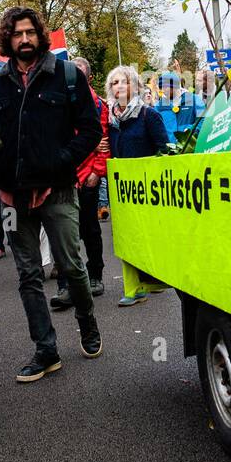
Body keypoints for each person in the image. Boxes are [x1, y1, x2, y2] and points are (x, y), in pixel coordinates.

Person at [0, 7, 103, 381]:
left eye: (29, 32)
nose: (24, 39)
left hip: (58, 191)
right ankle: (45, 349)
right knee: (28, 275)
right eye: (17, 33)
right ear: (8, 39)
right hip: (11, 197)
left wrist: (61, 161)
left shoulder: (66, 76)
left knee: (71, 264)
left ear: (40, 35)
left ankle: (87, 319)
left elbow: (89, 130)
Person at [104, 64, 170, 307]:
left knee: (149, 235)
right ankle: (133, 288)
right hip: (122, 192)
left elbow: (165, 150)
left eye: (124, 81)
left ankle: (156, 278)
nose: (119, 86)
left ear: (135, 86)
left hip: (147, 191)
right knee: (126, 238)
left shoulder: (148, 115)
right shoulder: (110, 120)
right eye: (114, 83)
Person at [50, 56, 108, 309]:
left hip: (87, 178)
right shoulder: (56, 99)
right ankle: (65, 286)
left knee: (89, 229)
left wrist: (97, 171)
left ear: (89, 78)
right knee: (63, 234)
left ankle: (95, 276)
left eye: (81, 75)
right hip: (63, 175)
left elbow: (103, 139)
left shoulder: (98, 105)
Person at [155, 71, 198, 142]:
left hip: (189, 146)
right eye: (161, 87)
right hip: (169, 150)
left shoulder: (193, 100)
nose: (164, 90)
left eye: (166, 86)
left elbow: (202, 119)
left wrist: (192, 130)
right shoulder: (158, 106)